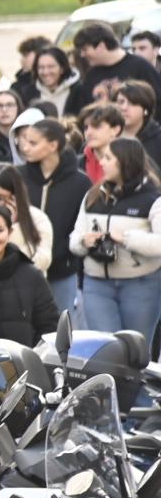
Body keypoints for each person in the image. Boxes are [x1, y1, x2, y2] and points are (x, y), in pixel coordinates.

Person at [70, 137, 161, 353]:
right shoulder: (92, 196)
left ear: (125, 162)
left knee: (136, 353)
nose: (101, 162)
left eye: (108, 158)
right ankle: (110, 388)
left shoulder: (153, 198)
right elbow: (74, 240)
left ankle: (135, 389)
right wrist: (85, 241)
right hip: (96, 284)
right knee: (106, 350)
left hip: (140, 285)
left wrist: (126, 238)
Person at [19, 118, 94, 316]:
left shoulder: (80, 182)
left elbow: (79, 226)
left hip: (61, 271)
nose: (25, 147)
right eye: (25, 140)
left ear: (53, 145)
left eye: (33, 143)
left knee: (58, 334)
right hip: (20, 269)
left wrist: (63, 255)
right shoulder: (18, 176)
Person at [0, 202, 58, 347]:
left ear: (10, 232)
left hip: (19, 365)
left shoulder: (31, 275)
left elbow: (50, 326)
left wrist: (32, 357)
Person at [72, 21, 161, 114]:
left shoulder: (140, 67)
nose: (82, 55)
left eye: (85, 49)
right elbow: (85, 110)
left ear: (101, 46)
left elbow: (158, 103)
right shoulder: (91, 75)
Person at [116, 82, 161, 169]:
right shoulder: (105, 135)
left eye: (132, 103)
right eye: (120, 102)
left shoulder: (158, 140)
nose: (124, 108)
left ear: (146, 109)